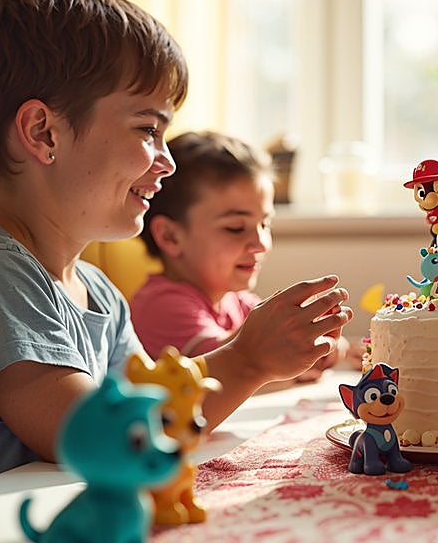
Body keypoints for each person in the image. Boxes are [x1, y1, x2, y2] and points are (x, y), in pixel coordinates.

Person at [0, 0, 351, 518]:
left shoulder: (97, 291)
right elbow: (94, 435)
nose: (166, 162)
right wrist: (246, 359)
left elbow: (158, 418)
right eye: (148, 128)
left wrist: (261, 361)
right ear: (43, 132)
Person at [130, 130, 344, 378]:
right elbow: (232, 370)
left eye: (265, 224)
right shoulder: (162, 306)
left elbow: (278, 353)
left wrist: (324, 345)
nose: (261, 243)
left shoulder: (237, 301)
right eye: (236, 228)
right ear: (170, 237)